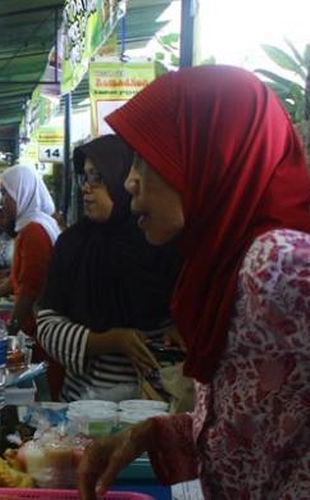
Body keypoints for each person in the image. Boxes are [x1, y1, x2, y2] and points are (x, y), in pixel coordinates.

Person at [78, 66, 310, 499]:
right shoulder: (221, 264)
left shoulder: (277, 263)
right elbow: (263, 427)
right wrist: (151, 434)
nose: (129, 181)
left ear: (211, 153)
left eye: (145, 160)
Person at [36, 135, 181, 402]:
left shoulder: (160, 241)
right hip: (83, 406)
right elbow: (46, 325)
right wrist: (109, 340)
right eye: (85, 177)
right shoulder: (73, 245)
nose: (86, 189)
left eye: (98, 178)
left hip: (154, 407)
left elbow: (178, 322)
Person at [0, 165, 63, 398]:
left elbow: (30, 288)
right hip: (42, 329)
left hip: (39, 333)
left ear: (22, 192)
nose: (3, 200)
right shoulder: (39, 223)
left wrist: (10, 330)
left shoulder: (34, 230)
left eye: (7, 193)